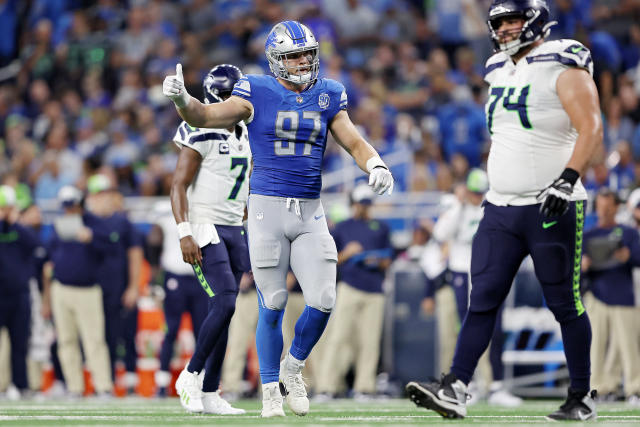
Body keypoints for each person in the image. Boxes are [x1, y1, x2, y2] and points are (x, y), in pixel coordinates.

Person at [163, 20, 394, 418]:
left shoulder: (329, 93)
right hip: (267, 209)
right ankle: (271, 389)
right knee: (273, 301)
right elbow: (203, 116)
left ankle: (294, 365)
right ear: (275, 61)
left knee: (322, 300)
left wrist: (374, 163)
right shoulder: (257, 90)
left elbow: (352, 139)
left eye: (307, 54)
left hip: (310, 209)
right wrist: (182, 98)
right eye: (293, 56)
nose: (303, 62)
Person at [406, 0, 603, 421]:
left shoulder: (562, 60)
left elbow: (592, 126)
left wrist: (567, 179)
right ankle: (456, 386)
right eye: (499, 23)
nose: (505, 30)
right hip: (500, 205)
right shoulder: (497, 68)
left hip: (552, 204)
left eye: (513, 21)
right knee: (483, 300)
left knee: (564, 303)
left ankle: (582, 395)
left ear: (534, 20)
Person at [170, 64, 250, 415]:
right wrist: (184, 231)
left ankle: (210, 392)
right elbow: (178, 184)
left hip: (235, 227)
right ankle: (190, 375)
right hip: (206, 226)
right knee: (227, 301)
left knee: (223, 311)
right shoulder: (199, 127)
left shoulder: (246, 130)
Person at [430, 170, 521, 406]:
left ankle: (496, 385)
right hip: (462, 270)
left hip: (489, 271)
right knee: (468, 330)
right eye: (473, 192)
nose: (476, 196)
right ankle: (472, 384)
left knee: (495, 330)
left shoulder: (491, 208)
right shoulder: (457, 208)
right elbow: (441, 233)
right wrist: (458, 206)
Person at [315, 184, 392, 400]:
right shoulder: (342, 228)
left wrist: (375, 260)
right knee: (338, 337)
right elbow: (330, 260)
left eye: (367, 204)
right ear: (353, 204)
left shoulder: (381, 227)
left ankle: (364, 387)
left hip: (375, 289)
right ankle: (327, 386)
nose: (364, 208)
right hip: (349, 286)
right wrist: (349, 254)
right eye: (361, 204)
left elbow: (388, 260)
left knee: (369, 341)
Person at [42, 185, 114, 398]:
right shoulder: (59, 225)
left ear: (79, 203)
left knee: (94, 340)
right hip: (61, 288)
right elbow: (50, 253)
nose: (69, 210)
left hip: (88, 290)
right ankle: (74, 387)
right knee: (66, 340)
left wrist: (91, 238)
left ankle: (103, 386)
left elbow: (111, 247)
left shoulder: (94, 223)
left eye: (71, 205)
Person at [582, 189, 640, 403]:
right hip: (596, 296)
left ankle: (634, 389)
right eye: (601, 207)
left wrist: (629, 255)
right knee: (595, 346)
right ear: (596, 208)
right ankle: (599, 389)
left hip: (624, 296)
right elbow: (573, 267)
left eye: (608, 207)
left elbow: (638, 258)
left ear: (616, 207)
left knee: (629, 347)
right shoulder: (588, 235)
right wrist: (582, 266)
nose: (604, 212)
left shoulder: (628, 233)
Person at [86, 174, 143, 393]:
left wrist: (133, 286)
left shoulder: (122, 222)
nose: (103, 198)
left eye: (106, 193)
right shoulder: (86, 220)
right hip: (92, 289)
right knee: (101, 336)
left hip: (119, 286)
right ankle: (105, 382)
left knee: (127, 334)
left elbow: (135, 254)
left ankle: (130, 381)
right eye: (98, 194)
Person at [147, 202, 208, 398]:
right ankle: (162, 383)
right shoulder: (167, 209)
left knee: (202, 332)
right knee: (171, 330)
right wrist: (154, 281)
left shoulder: (202, 208)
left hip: (199, 276)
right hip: (174, 276)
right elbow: (153, 241)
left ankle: (203, 381)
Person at [0, 185, 38, 399]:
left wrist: (16, 222)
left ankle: (21, 385)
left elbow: (35, 244)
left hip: (19, 293)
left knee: (19, 343)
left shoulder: (20, 230)